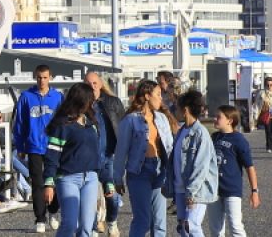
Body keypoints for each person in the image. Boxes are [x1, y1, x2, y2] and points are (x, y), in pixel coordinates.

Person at [43, 83, 104, 237]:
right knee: (70, 224)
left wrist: (106, 179)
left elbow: (98, 154)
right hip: (68, 178)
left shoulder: (92, 124)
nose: (92, 103)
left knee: (86, 226)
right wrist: (49, 182)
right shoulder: (63, 125)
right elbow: (52, 155)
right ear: (81, 100)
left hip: (91, 178)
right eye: (90, 99)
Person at [116, 80, 173, 237]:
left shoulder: (162, 118)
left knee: (160, 223)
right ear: (147, 96)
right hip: (139, 172)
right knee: (143, 220)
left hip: (160, 170)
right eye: (158, 95)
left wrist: (173, 172)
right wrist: (117, 178)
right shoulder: (130, 120)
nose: (161, 99)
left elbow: (170, 147)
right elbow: (121, 151)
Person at [17, 65, 67, 233]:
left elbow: (64, 121)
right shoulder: (26, 97)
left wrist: (65, 142)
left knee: (54, 180)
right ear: (35, 77)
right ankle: (40, 218)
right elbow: (20, 123)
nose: (41, 80)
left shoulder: (58, 97)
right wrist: (20, 144)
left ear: (50, 78)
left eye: (45, 77)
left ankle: (53, 211)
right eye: (39, 77)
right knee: (37, 182)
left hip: (54, 145)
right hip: (34, 145)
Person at [210, 104, 259, 237]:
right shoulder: (213, 138)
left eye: (218, 117)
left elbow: (249, 167)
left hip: (232, 189)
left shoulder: (239, 140)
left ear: (229, 121)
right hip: (213, 189)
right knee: (215, 229)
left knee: (235, 226)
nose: (214, 119)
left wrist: (254, 191)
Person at [177, 90, 219, 237]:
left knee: (192, 226)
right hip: (180, 187)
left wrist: (191, 191)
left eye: (178, 107)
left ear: (185, 109)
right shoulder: (182, 131)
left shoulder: (200, 133)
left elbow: (201, 166)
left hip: (196, 189)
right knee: (183, 227)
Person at [87, 71, 126, 230]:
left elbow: (122, 126)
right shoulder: (80, 104)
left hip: (109, 156)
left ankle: (112, 221)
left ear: (101, 84)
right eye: (88, 84)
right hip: (89, 159)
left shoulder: (112, 103)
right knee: (91, 197)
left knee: (111, 195)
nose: (92, 87)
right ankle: (95, 224)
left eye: (95, 83)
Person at [252, 77, 272, 152]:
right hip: (267, 114)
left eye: (271, 85)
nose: (269, 87)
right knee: (268, 131)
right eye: (268, 85)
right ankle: (269, 146)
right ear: (265, 85)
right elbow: (257, 105)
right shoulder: (261, 93)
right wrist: (255, 116)